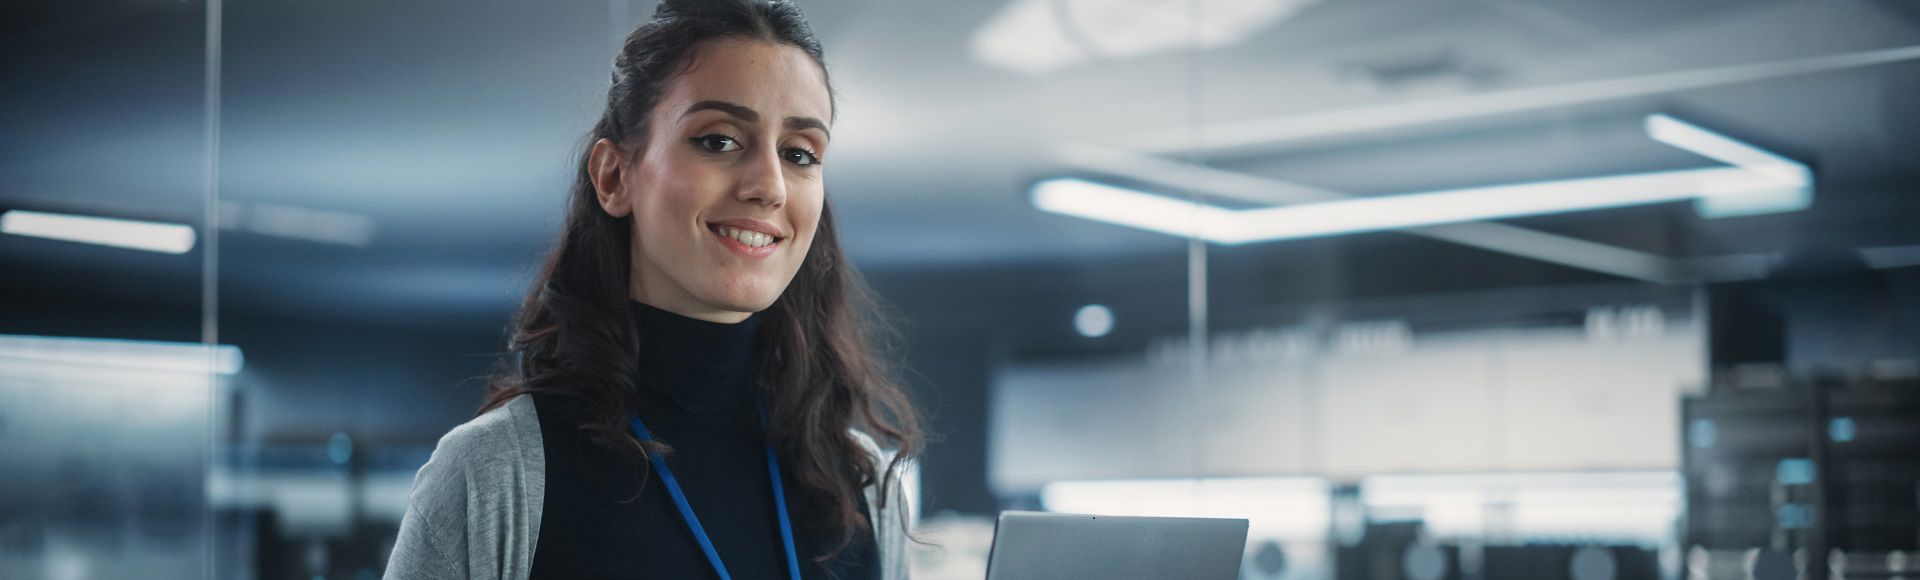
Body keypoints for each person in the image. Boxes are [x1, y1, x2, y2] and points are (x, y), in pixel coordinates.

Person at [384, 1, 923, 578]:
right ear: (615, 177)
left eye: (799, 154)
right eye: (718, 141)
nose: (769, 186)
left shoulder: (859, 481)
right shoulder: (494, 473)